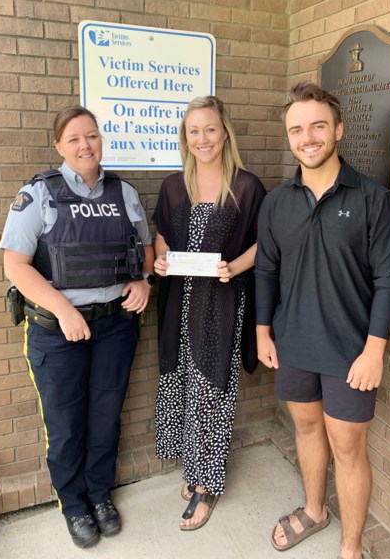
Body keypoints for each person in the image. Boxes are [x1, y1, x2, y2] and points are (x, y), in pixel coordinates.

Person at [255, 82, 390, 559]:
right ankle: (315, 510)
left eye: (318, 125)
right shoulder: (277, 202)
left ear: (338, 130)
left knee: (348, 448)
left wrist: (374, 350)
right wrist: (263, 330)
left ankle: (350, 548)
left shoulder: (372, 199)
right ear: (289, 138)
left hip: (350, 352)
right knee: (305, 430)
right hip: (295, 344)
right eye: (297, 129)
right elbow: (266, 269)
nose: (308, 137)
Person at [0, 106, 155, 549]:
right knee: (66, 423)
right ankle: (73, 504)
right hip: (56, 331)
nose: (85, 145)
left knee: (106, 418)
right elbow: (15, 266)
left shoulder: (123, 192)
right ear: (59, 146)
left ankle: (100, 496)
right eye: (74, 139)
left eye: (91, 136)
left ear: (100, 140)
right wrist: (63, 309)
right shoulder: (39, 194)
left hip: (115, 327)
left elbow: (142, 250)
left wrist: (141, 281)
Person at [152, 95, 267, 532]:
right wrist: (161, 260)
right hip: (179, 303)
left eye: (210, 129)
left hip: (220, 303)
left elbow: (265, 243)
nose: (202, 138)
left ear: (224, 133)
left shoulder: (245, 187)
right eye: (194, 130)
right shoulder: (173, 185)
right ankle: (194, 469)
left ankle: (207, 484)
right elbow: (162, 235)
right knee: (182, 385)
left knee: (211, 392)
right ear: (186, 136)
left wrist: (233, 267)